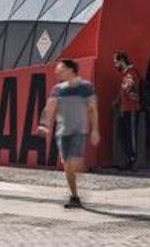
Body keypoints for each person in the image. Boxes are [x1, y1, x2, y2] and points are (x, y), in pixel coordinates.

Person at [39, 58, 99, 209]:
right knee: (67, 164)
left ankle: (76, 189)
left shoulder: (86, 87)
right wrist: (44, 125)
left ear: (71, 70)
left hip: (79, 130)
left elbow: (93, 109)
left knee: (75, 161)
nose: (57, 72)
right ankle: (75, 195)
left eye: (61, 69)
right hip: (62, 132)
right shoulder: (58, 89)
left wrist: (95, 130)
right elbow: (49, 107)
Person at [113, 52, 141, 170]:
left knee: (131, 135)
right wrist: (117, 101)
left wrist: (128, 95)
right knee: (124, 135)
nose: (115, 65)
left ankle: (133, 160)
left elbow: (128, 90)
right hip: (124, 109)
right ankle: (128, 159)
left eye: (116, 62)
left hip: (131, 109)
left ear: (122, 61)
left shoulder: (131, 73)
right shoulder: (126, 74)